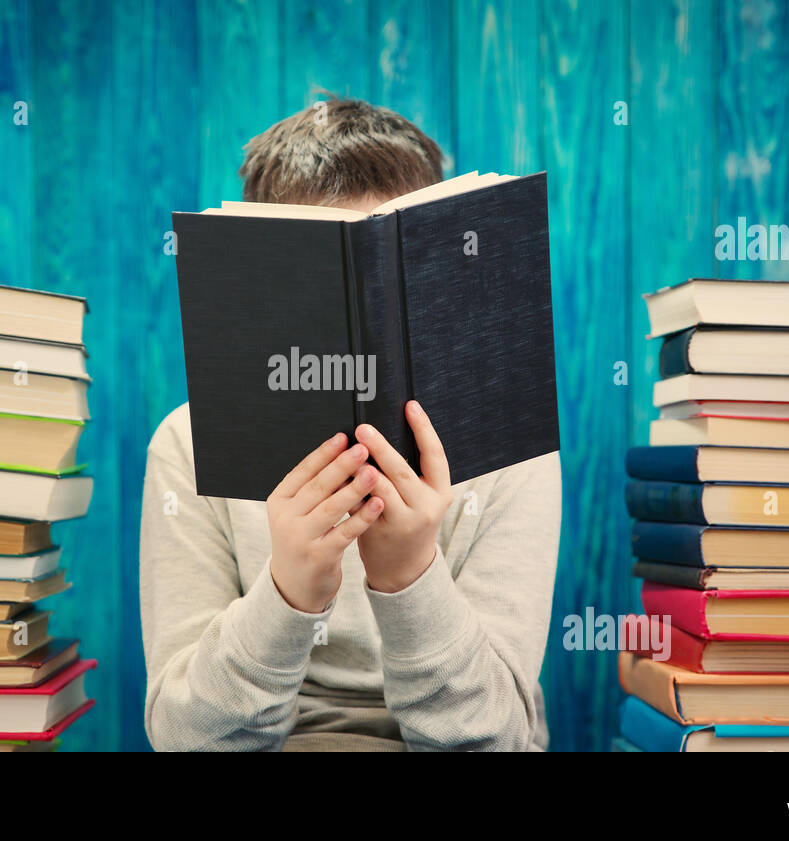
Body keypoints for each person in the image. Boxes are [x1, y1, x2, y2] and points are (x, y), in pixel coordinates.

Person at [139, 97, 561, 751]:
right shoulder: (185, 447)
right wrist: (289, 592)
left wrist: (409, 573)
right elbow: (185, 736)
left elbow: (498, 739)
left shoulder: (513, 449)